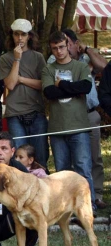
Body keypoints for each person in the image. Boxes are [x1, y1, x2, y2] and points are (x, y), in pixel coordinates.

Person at [54, 28, 107, 209]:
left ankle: (96, 194)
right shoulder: (54, 62)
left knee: (93, 158)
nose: (65, 48)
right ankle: (70, 200)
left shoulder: (86, 60)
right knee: (69, 160)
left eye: (69, 43)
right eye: (62, 44)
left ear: (76, 44)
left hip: (89, 114)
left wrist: (86, 50)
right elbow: (52, 89)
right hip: (66, 117)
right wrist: (75, 87)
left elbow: (105, 67)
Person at [42, 30, 95, 208]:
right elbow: (49, 93)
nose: (59, 51)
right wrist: (73, 88)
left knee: (83, 167)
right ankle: (65, 207)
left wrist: (62, 84)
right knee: (62, 171)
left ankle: (89, 205)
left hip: (79, 126)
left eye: (62, 47)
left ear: (68, 46)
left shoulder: (80, 66)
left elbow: (86, 87)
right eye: (55, 48)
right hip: (57, 127)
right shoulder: (48, 69)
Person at [0, 19, 48, 166]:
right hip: (15, 112)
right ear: (12, 36)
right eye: (16, 34)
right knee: (19, 157)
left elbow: (44, 84)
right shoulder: (5, 58)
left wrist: (21, 78)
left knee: (40, 155)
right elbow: (10, 84)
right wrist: (17, 60)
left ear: (29, 36)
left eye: (23, 34)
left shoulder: (38, 57)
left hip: (36, 110)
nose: (20, 38)